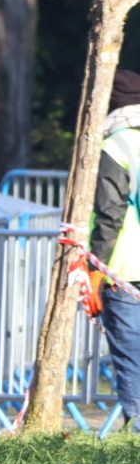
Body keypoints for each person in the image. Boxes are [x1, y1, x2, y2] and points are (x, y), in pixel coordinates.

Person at [91, 68, 140, 433]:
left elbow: (109, 215)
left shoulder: (116, 145)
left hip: (123, 270)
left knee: (131, 359)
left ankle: (136, 434)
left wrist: (95, 269)